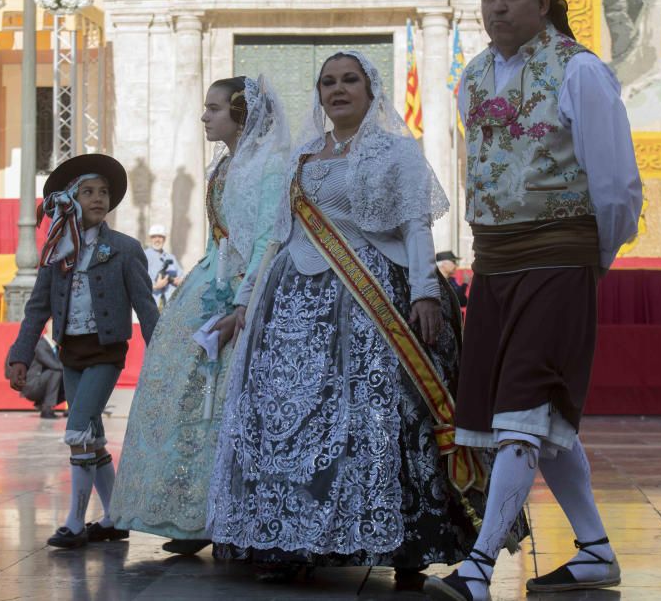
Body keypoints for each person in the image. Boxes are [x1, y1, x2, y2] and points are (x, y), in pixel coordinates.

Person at [208, 52, 497, 583]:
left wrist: (426, 291)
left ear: (370, 88)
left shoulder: (395, 151)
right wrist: (246, 303)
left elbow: (414, 226)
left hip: (371, 303)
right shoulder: (302, 155)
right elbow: (278, 237)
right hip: (292, 309)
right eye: (327, 82)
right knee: (289, 420)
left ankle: (409, 546)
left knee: (381, 418)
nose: (337, 90)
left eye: (349, 80)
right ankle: (293, 541)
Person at [424, 0, 642, 601]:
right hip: (495, 266)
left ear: (543, 2)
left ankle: (479, 567)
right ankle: (596, 550)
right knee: (538, 420)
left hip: (557, 258)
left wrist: (589, 257)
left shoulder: (580, 72)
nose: (497, 6)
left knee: (521, 413)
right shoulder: (471, 77)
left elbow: (616, 184)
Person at [110, 76, 290, 555]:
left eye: (213, 109)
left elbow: (267, 239)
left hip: (249, 287)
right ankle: (186, 513)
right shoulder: (224, 165)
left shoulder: (272, 166)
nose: (204, 117)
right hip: (212, 277)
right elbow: (219, 236)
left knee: (227, 398)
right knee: (182, 386)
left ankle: (224, 515)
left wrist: (242, 301)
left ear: (240, 114)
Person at [6, 152, 159, 549]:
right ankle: (113, 517)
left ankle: (75, 522)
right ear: (70, 200)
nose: (98, 198)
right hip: (69, 353)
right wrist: (20, 356)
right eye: (88, 191)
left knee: (77, 431)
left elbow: (146, 305)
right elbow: (37, 308)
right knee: (91, 435)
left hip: (106, 353)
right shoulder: (57, 251)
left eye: (103, 192)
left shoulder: (124, 249)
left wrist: (161, 353)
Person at [5, 322, 65, 419]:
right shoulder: (40, 345)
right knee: (56, 372)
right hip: (31, 385)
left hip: (41, 381)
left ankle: (70, 408)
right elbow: (53, 365)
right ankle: (47, 408)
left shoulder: (55, 347)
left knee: (68, 377)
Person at [144, 224, 183, 306]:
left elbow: (182, 278)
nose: (157, 240)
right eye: (154, 237)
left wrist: (179, 282)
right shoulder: (143, 256)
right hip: (151, 305)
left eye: (160, 237)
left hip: (171, 306)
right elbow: (137, 284)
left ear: (164, 239)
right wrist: (155, 286)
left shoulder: (171, 258)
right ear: (150, 239)